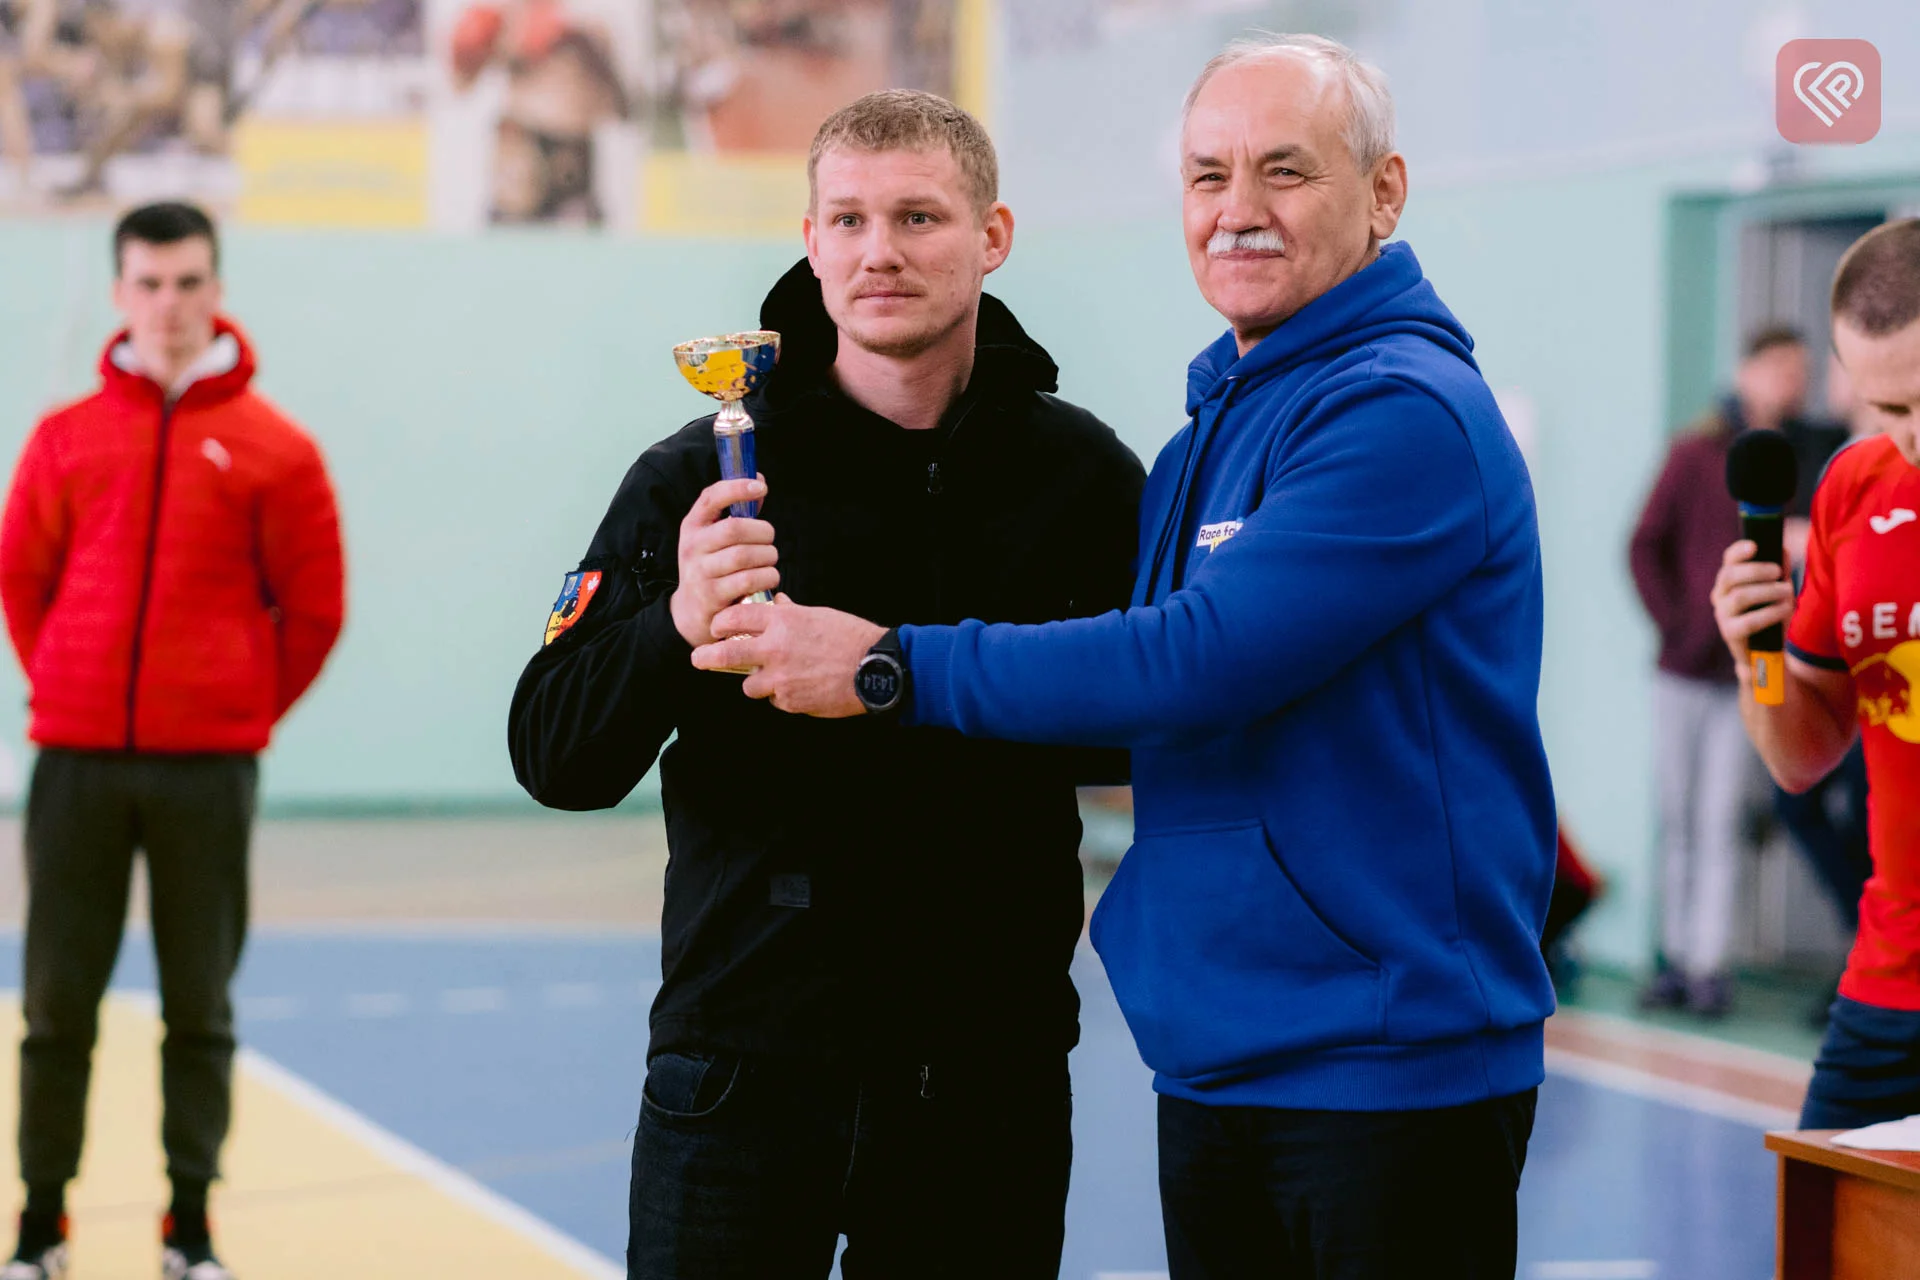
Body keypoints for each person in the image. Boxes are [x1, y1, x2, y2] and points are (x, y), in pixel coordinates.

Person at [693, 35, 1554, 1279]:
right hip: (1221, 1048)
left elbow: (1195, 661)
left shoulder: (1399, 408)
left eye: (1284, 171)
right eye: (1208, 176)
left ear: (1384, 193)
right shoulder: (1214, 428)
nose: (1238, 209)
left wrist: (887, 666)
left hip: (1383, 1061)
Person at [506, 91, 1143, 1278]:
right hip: (741, 1067)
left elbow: (1146, 717)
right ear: (810, 240)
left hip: (982, 1079)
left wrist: (919, 677)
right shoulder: (703, 476)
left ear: (992, 236)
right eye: (847, 219)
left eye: (917, 216)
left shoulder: (1082, 477)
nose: (878, 251)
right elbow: (554, 751)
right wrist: (677, 622)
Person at [0, 201, 345, 1280]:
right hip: (77, 765)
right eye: (148, 284)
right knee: (56, 1009)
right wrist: (69, 682)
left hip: (209, 772)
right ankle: (40, 1227)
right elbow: (22, 580)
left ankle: (188, 1229)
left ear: (217, 289)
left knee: (201, 1007)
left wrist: (237, 706)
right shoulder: (65, 436)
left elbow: (315, 610)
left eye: (189, 282)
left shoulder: (277, 448)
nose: (169, 305)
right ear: (120, 292)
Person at [1712, 217, 1920, 1128]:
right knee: (1823, 1200)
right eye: (1888, 410)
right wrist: (1755, 657)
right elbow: (1801, 757)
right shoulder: (1853, 486)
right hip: (1890, 977)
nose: (1911, 439)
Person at [1628, 325, 1811, 1018]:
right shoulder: (1694, 454)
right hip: (1681, 670)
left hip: (1747, 675)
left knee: (1720, 820)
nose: (1792, 382)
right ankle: (1674, 958)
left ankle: (1709, 964)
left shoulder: (1797, 461)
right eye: (1781, 367)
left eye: (1800, 370)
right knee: (1677, 817)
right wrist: (1678, 624)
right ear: (1747, 370)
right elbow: (1643, 544)